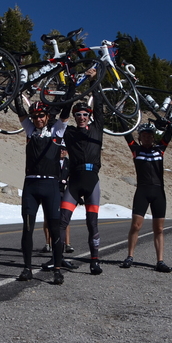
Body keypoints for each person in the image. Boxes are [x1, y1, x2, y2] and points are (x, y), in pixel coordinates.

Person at [15, 100, 68, 284]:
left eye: (41, 116)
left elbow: (66, 112)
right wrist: (17, 90)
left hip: (51, 186)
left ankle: (58, 270)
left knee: (55, 229)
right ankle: (27, 268)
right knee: (27, 229)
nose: (37, 119)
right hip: (31, 186)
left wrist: (70, 86)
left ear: (47, 117)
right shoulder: (30, 131)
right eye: (35, 116)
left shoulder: (56, 132)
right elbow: (20, 111)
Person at [120, 120, 172, 273]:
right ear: (140, 137)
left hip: (158, 192)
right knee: (136, 225)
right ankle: (130, 256)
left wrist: (168, 123)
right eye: (144, 135)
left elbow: (169, 133)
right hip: (142, 191)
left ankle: (160, 261)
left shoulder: (160, 149)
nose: (147, 138)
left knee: (159, 228)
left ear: (153, 137)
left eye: (150, 136)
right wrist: (119, 116)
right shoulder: (135, 150)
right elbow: (126, 133)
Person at [60, 95, 106, 275]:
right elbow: (60, 118)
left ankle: (94, 261)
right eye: (77, 114)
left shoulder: (97, 128)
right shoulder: (69, 132)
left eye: (84, 114)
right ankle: (57, 258)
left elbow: (100, 106)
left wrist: (95, 79)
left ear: (89, 115)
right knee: (62, 221)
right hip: (74, 181)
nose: (81, 117)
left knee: (92, 223)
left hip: (92, 181)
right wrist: (69, 93)